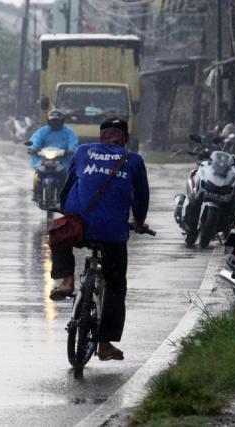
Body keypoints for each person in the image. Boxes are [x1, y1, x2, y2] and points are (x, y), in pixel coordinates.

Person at [48, 117, 150, 362]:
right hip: (113, 232)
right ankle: (104, 344)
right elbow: (141, 197)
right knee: (115, 286)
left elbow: (69, 183)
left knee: (59, 233)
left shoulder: (84, 151)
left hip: (80, 225)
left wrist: (66, 209)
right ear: (125, 138)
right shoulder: (133, 160)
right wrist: (138, 221)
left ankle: (67, 281)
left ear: (101, 136)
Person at [28, 110, 78, 202]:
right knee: (37, 174)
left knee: (68, 177)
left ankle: (66, 193)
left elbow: (73, 143)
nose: (55, 123)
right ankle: (36, 192)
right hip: (44, 158)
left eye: (57, 121)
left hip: (63, 159)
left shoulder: (68, 132)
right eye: (52, 121)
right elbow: (36, 141)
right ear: (49, 121)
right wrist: (33, 149)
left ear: (61, 121)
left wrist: (71, 150)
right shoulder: (43, 131)